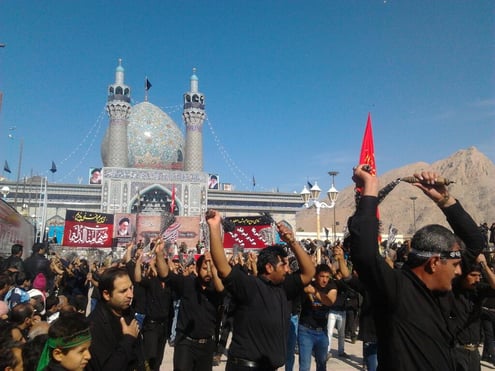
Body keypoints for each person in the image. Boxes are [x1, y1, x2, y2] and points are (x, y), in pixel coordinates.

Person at [350, 165, 485, 370]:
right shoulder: (396, 290)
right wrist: (370, 187)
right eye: (456, 265)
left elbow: (475, 242)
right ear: (434, 263)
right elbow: (365, 254)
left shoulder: (444, 287)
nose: (460, 271)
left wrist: (444, 200)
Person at [207, 210, 315, 370]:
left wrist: (292, 241)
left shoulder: (285, 288)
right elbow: (223, 267)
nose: (287, 269)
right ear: (269, 267)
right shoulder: (249, 286)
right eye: (283, 265)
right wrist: (214, 227)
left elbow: (309, 272)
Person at [156, 240, 224, 371]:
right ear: (197, 270)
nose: (208, 272)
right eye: (205, 268)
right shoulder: (188, 283)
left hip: (206, 345)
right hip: (185, 343)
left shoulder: (216, 289)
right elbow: (166, 275)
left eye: (210, 268)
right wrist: (159, 254)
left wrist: (213, 266)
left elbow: (221, 289)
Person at [86, 267, 144, 371]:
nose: (130, 295)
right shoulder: (94, 325)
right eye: (123, 291)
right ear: (107, 294)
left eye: (131, 288)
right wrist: (128, 339)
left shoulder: (127, 312)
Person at [298, 263, 337, 371]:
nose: (325, 280)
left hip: (322, 332)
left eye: (327, 277)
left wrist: (314, 292)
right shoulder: (309, 284)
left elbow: (330, 301)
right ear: (316, 276)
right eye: (322, 276)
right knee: (304, 366)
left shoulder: (331, 286)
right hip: (306, 330)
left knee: (322, 364)